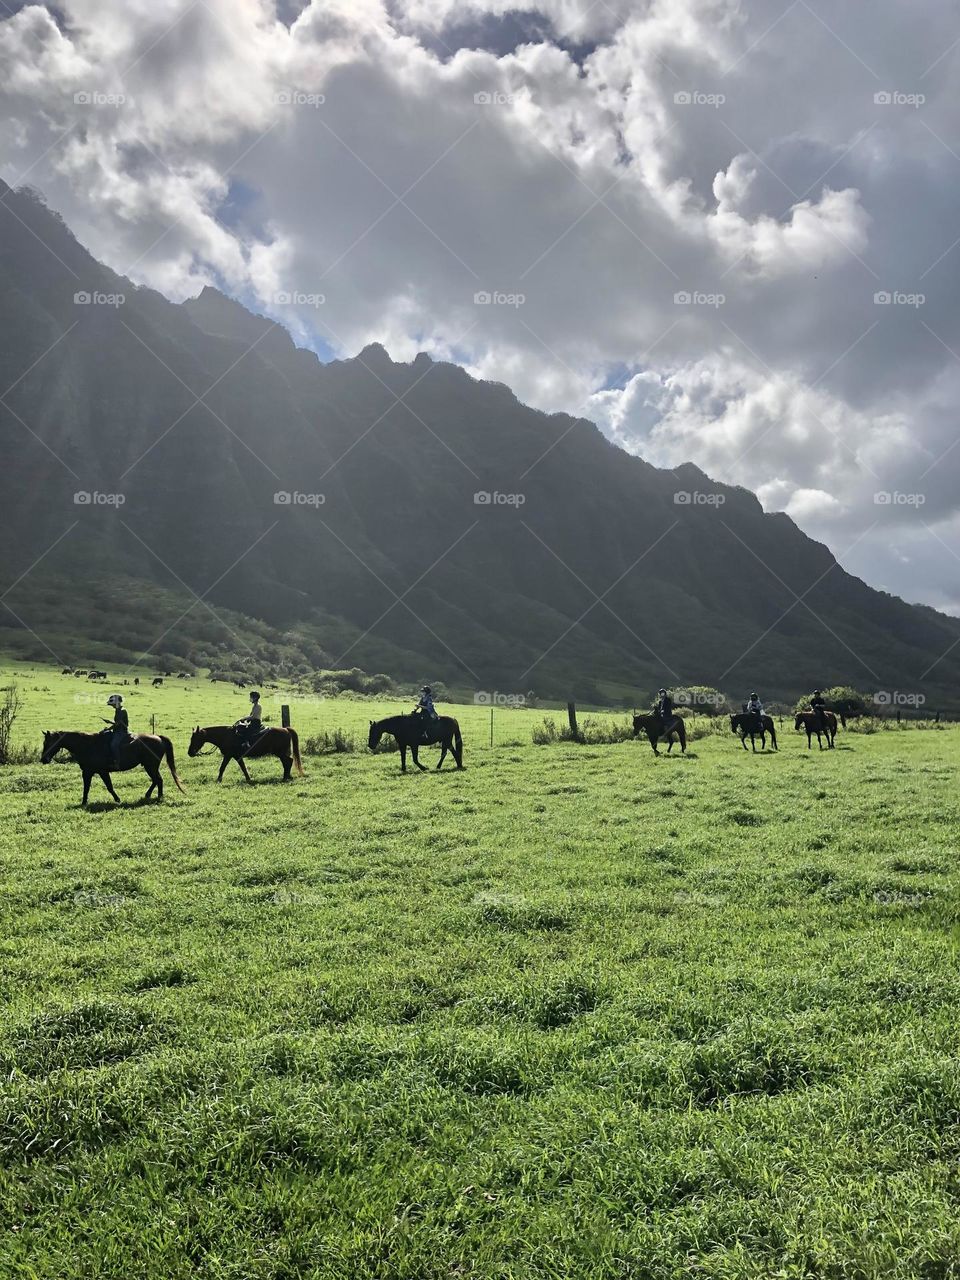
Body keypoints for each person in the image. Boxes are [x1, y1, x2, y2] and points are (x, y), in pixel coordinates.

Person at [103, 693, 130, 764]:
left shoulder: (122, 711)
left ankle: (117, 762)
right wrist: (110, 722)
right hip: (117, 730)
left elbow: (117, 724)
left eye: (113, 704)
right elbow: (117, 722)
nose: (112, 706)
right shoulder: (118, 710)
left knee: (113, 745)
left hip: (121, 732)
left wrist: (109, 728)